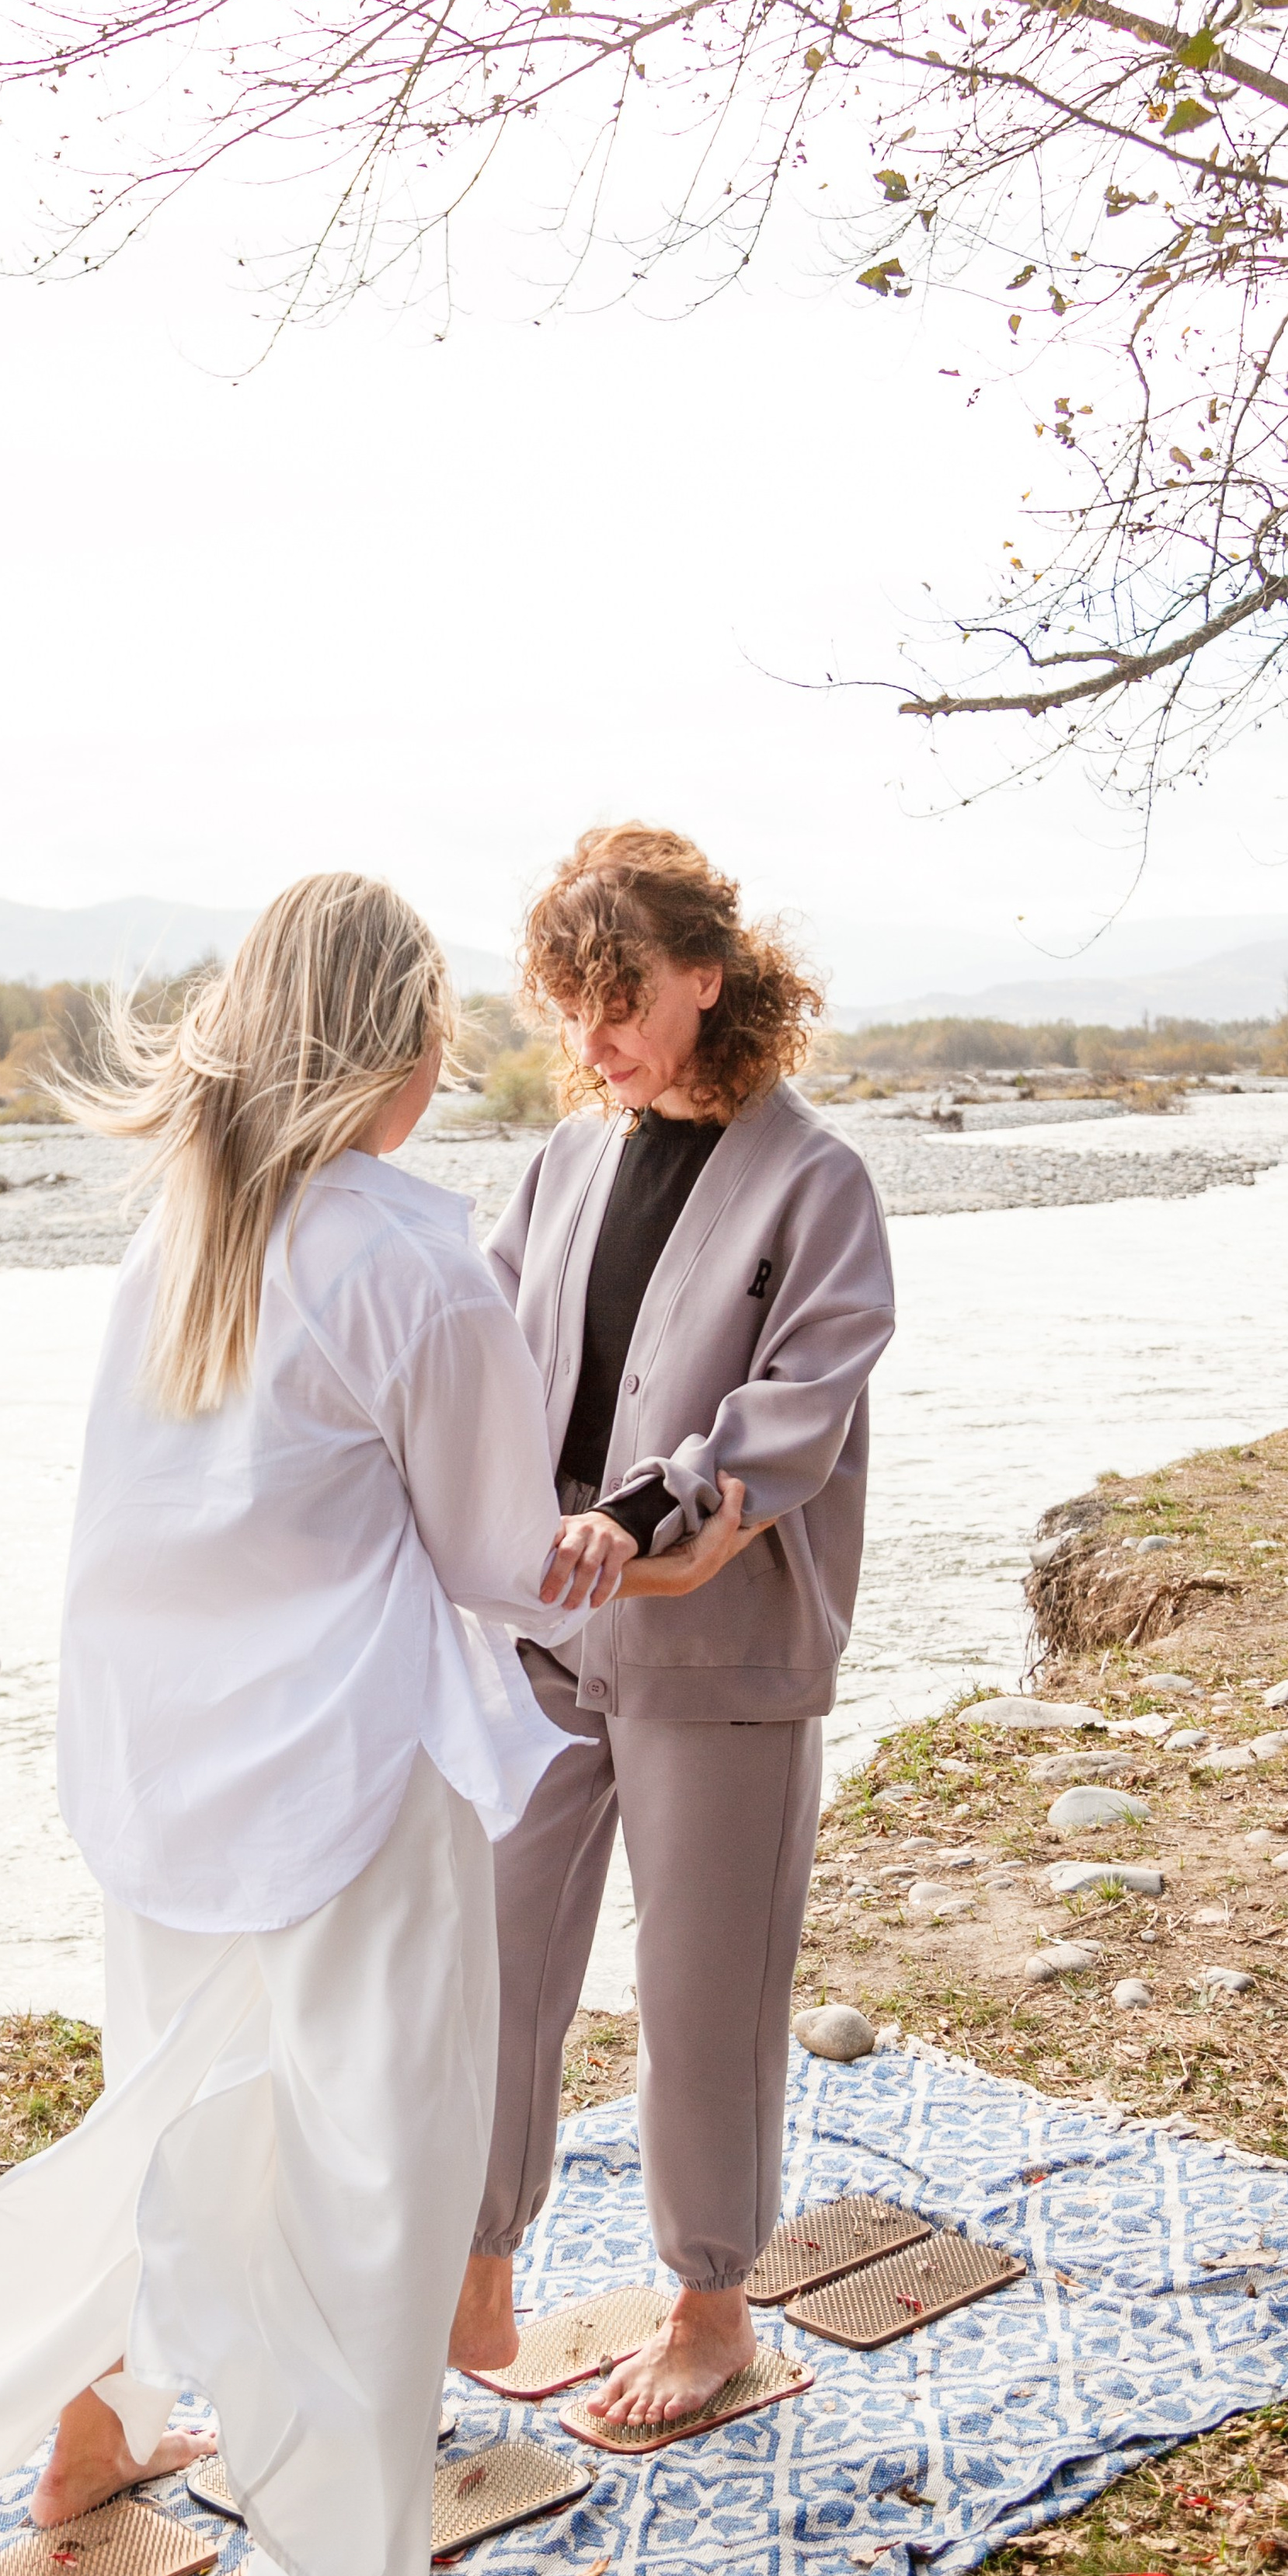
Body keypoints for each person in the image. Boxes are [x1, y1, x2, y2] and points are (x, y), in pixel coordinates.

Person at [0, 872, 750, 2576]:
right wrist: (659, 1556)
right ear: (404, 1046)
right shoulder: (405, 1258)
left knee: (173, 2108)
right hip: (342, 1778)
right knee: (376, 2162)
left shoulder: (179, 1229)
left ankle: (92, 2436)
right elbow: (510, 1559)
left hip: (158, 1765)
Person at [447, 823, 896, 2429]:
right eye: (567, 1005)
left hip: (717, 1646)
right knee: (491, 1950)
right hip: (545, 1631)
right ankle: (475, 2256)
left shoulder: (815, 1180)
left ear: (706, 977)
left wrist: (626, 1522)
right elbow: (483, 1361)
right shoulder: (560, 1160)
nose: (590, 1040)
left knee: (702, 1989)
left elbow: (789, 1420)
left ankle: (712, 2314)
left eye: (617, 998)